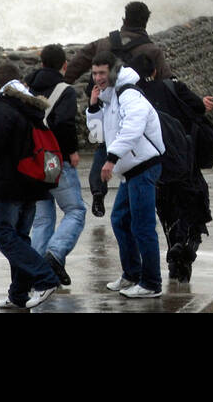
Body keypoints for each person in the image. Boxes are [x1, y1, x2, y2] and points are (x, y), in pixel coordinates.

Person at [65, 1, 172, 218]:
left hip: (103, 103)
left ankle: (97, 191)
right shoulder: (151, 50)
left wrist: (63, 84)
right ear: (146, 21)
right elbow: (168, 82)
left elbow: (78, 62)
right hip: (135, 107)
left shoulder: (104, 43)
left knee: (103, 145)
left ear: (124, 19)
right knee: (135, 147)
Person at [0, 61, 63, 310]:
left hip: (10, 182)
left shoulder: (2, 106)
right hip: (33, 180)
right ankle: (18, 295)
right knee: (21, 237)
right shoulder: (32, 106)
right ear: (21, 82)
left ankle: (46, 278)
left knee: (4, 235)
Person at [134, 52, 213, 283]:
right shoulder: (172, 87)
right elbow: (197, 109)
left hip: (154, 165)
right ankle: (186, 248)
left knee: (167, 212)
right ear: (154, 71)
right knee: (194, 209)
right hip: (184, 161)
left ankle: (175, 256)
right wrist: (202, 103)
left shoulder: (133, 98)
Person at [88, 56, 165, 298]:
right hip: (130, 170)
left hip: (144, 166)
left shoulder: (129, 94)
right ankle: (132, 274)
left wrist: (111, 159)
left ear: (113, 72)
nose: (98, 78)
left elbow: (133, 128)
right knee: (121, 221)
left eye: (102, 73)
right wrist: (92, 107)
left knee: (142, 226)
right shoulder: (109, 98)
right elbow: (96, 136)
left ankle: (151, 283)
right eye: (95, 74)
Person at [25, 43, 85, 287]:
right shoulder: (65, 91)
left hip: (33, 159)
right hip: (53, 158)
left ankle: (39, 273)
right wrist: (71, 151)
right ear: (64, 65)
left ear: (41, 64)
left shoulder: (26, 88)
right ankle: (55, 254)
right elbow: (65, 124)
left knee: (42, 219)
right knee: (75, 210)